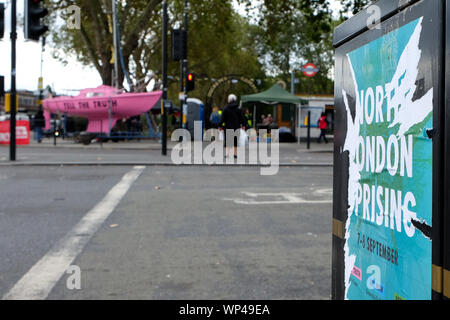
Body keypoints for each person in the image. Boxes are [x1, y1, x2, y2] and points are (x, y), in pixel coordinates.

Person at [220, 94, 247, 158]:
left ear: (230, 99)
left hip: (228, 126)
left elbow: (222, 118)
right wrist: (243, 125)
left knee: (228, 140)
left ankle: (227, 154)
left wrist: (220, 125)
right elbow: (242, 117)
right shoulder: (238, 108)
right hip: (236, 126)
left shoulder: (226, 108)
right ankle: (235, 154)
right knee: (235, 140)